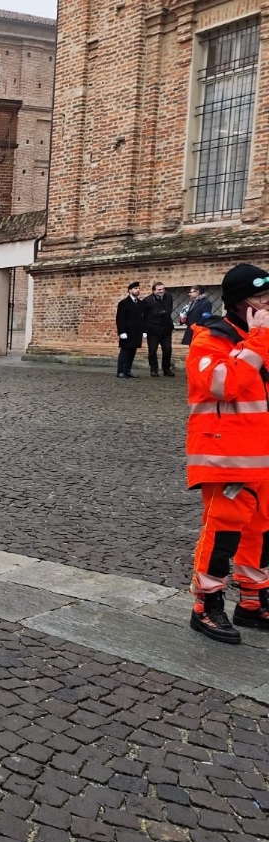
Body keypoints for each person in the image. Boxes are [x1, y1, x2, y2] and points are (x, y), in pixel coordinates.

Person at [184, 263, 269, 643]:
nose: (268, 305)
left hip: (262, 458)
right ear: (240, 305)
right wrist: (259, 339)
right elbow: (224, 384)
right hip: (226, 458)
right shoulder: (209, 340)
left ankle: (252, 601)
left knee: (262, 532)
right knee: (222, 535)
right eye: (261, 299)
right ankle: (207, 605)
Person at [142, 281, 175, 376]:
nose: (161, 291)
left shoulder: (168, 297)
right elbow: (144, 316)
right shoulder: (147, 300)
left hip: (166, 329)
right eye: (159, 289)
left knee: (167, 349)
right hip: (153, 329)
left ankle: (166, 369)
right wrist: (144, 330)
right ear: (154, 291)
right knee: (152, 350)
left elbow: (170, 309)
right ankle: (154, 369)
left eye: (163, 289)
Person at [115, 281, 143, 378]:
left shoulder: (140, 303)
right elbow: (120, 318)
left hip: (136, 333)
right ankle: (121, 371)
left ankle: (127, 370)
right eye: (135, 288)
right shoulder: (124, 303)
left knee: (132, 352)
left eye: (138, 288)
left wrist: (143, 331)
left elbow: (141, 318)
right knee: (125, 352)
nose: (137, 290)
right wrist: (121, 332)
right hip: (127, 332)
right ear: (130, 290)